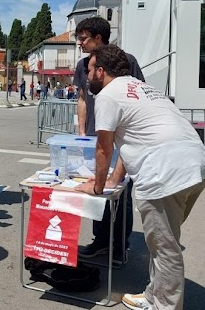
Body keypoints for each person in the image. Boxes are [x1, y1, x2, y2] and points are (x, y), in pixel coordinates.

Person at [75, 44, 205, 310]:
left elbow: (104, 147)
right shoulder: (141, 88)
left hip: (164, 171)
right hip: (194, 165)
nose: (86, 77)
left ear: (100, 71)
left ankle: (165, 306)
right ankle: (153, 296)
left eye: (89, 71)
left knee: (165, 248)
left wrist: (98, 187)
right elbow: (131, 141)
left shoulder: (108, 95)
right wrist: (112, 181)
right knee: (162, 242)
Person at [73, 16, 143, 264]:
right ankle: (101, 242)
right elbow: (82, 98)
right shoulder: (82, 65)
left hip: (122, 138)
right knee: (97, 187)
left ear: (98, 38)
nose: (80, 43)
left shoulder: (126, 61)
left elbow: (136, 94)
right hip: (96, 134)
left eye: (83, 38)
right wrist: (82, 133)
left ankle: (119, 247)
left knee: (120, 193)